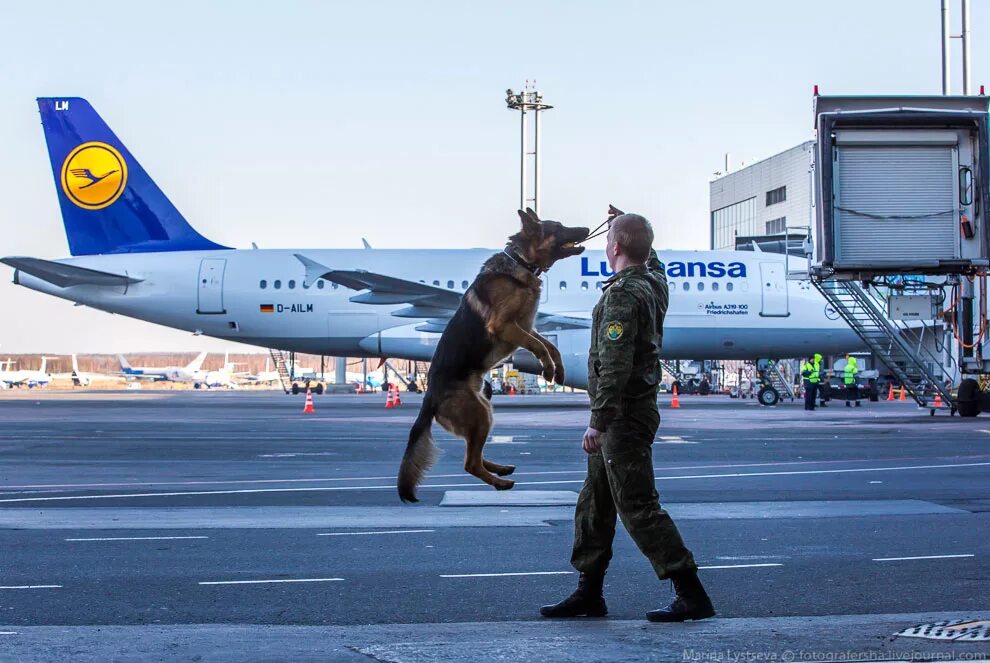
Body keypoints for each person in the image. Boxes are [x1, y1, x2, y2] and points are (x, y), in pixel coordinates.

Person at [540, 212, 714, 623]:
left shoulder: (622, 295)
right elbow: (652, 259)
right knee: (595, 504)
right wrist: (629, 226)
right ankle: (589, 593)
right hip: (631, 412)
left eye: (609, 240)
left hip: (622, 418)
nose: (605, 246)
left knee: (637, 505)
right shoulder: (654, 282)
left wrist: (598, 421)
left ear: (615, 247)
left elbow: (615, 366)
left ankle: (690, 592)